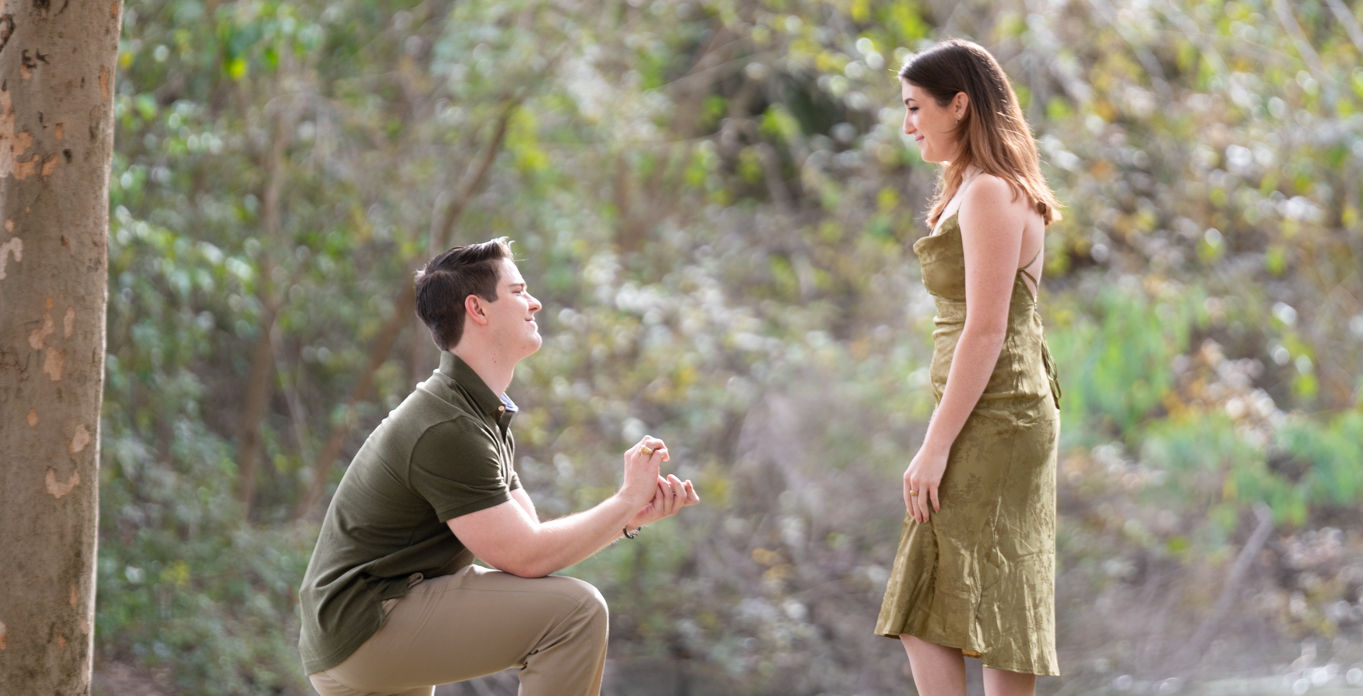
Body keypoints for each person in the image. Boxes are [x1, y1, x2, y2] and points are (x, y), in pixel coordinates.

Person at [299, 237, 701, 696]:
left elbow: (529, 540)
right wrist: (625, 500)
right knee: (576, 611)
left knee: (565, 604)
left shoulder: (473, 413)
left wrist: (627, 516)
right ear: (477, 309)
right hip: (368, 625)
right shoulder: (448, 425)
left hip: (353, 633)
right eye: (518, 291)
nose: (535, 302)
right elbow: (526, 557)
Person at [874, 39, 1064, 696]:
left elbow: (985, 329)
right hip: (990, 407)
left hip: (1000, 412)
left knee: (975, 592)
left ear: (959, 104)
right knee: (962, 592)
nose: (907, 124)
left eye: (914, 107)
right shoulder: (971, 187)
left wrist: (934, 446)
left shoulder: (988, 192)